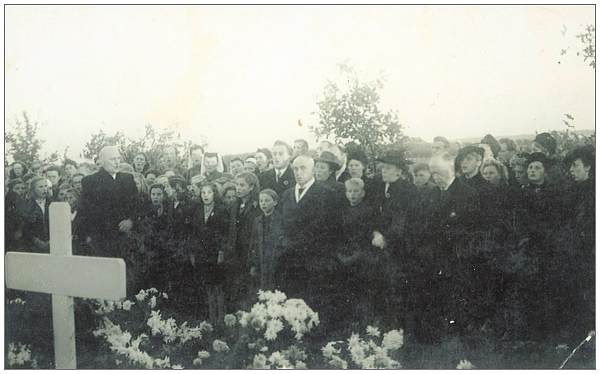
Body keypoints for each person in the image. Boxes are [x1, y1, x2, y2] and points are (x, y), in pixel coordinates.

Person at [276, 155, 342, 336]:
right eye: (295, 169)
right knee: (292, 300)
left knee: (314, 301)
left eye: (303, 168)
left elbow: (326, 226)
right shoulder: (287, 194)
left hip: (314, 258)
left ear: (312, 170)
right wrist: (283, 241)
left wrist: (300, 244)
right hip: (290, 258)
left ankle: (315, 338)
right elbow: (280, 222)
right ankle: (293, 336)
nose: (298, 172)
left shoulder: (326, 194)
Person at [75, 146, 139, 269]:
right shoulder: (90, 181)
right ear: (102, 161)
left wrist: (131, 220)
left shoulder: (128, 179)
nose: (117, 162)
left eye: (118, 159)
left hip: (125, 236)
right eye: (112, 159)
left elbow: (137, 204)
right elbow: (86, 211)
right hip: (101, 238)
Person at [186, 182, 230, 324]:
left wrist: (221, 252)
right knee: (208, 286)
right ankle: (211, 318)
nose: (205, 195)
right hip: (201, 253)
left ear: (214, 194)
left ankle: (220, 318)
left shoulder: (222, 210)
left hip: (215, 254)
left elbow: (224, 233)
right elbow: (192, 233)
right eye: (203, 192)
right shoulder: (197, 210)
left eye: (209, 192)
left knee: (218, 287)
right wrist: (192, 253)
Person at [225, 172, 262, 311]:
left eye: (242, 185)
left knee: (250, 291)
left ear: (251, 187)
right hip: (236, 255)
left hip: (249, 254)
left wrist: (253, 259)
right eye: (236, 185)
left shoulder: (257, 206)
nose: (238, 188)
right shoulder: (236, 205)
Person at [249, 189, 284, 293]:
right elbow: (254, 243)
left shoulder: (280, 220)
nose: (263, 203)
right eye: (261, 201)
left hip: (275, 262)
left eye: (267, 200)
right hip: (261, 262)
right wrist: (253, 264)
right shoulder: (258, 220)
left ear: (275, 202)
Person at [21, 176, 51, 253]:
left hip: (52, 243)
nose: (44, 189)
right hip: (34, 245)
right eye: (40, 187)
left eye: (45, 186)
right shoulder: (26, 205)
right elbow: (25, 227)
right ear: (33, 189)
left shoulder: (52, 202)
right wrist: (37, 241)